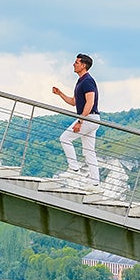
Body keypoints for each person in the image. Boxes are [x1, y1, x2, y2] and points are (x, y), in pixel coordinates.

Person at [51, 53, 101, 183]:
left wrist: (80, 121)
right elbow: (74, 101)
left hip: (89, 118)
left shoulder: (88, 81)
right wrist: (60, 93)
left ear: (83, 65)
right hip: (92, 119)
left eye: (77, 62)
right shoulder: (80, 81)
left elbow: (90, 103)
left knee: (65, 138)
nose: (74, 64)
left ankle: (74, 169)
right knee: (89, 151)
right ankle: (95, 182)